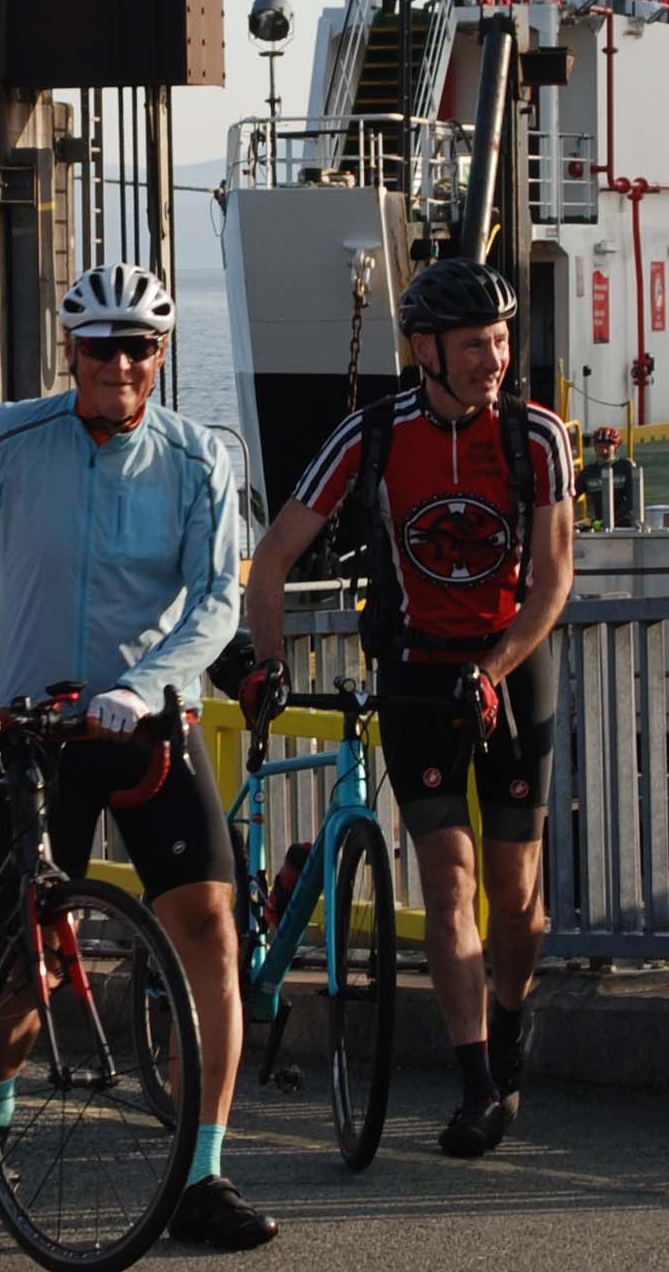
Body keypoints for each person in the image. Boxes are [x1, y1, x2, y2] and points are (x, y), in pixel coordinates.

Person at [0, 263, 269, 1249]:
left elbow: (219, 597)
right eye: (100, 347)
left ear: (160, 356)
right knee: (20, 969)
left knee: (208, 928)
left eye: (138, 347)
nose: (119, 364)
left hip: (147, 726)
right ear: (70, 353)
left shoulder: (197, 456)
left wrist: (151, 679)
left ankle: (202, 1171)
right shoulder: (15, 434)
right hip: (36, 733)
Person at [236, 258, 577, 1158]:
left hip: (514, 668)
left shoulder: (535, 436)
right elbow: (271, 558)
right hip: (417, 674)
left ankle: (510, 1022)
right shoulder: (372, 437)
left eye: (501, 341)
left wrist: (498, 665)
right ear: (424, 348)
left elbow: (553, 582)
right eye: (474, 345)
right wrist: (267, 664)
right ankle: (474, 1088)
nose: (493, 359)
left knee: (518, 894)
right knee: (450, 879)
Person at [577, 423, 645, 530]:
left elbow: (633, 500)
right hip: (601, 526)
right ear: (595, 447)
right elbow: (571, 497)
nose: (604, 451)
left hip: (626, 526)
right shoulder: (588, 472)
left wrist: (610, 520)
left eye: (608, 447)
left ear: (616, 447)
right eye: (600, 447)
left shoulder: (625, 466)